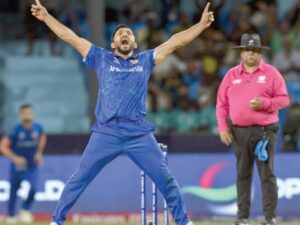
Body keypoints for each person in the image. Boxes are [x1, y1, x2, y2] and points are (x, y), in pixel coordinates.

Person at [30, 1, 214, 225]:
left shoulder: (145, 60)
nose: (124, 35)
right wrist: (47, 17)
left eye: (128, 33)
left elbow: (175, 42)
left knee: (166, 179)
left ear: (134, 42)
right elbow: (70, 37)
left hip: (138, 133)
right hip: (106, 133)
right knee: (79, 179)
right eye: (120, 34)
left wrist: (201, 26)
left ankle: (183, 221)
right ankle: (56, 221)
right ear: (113, 42)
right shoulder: (101, 58)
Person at [216, 33, 290, 225]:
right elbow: (221, 104)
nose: (251, 54)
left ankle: (270, 217)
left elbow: (284, 99)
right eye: (247, 50)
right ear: (241, 53)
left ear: (260, 53)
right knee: (242, 175)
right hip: (238, 132)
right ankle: (242, 218)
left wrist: (265, 103)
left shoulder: (272, 73)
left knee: (267, 174)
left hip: (265, 131)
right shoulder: (231, 75)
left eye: (255, 50)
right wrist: (223, 127)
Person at [0, 104, 47, 224]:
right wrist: (15, 158)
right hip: (18, 166)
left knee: (34, 188)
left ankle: (25, 209)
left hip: (32, 165)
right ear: (21, 115)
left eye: (29, 112)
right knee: (13, 191)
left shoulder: (37, 127)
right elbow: (3, 146)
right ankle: (11, 216)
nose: (28, 115)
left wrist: (39, 153)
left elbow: (42, 137)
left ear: (33, 114)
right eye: (25, 113)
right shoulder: (15, 130)